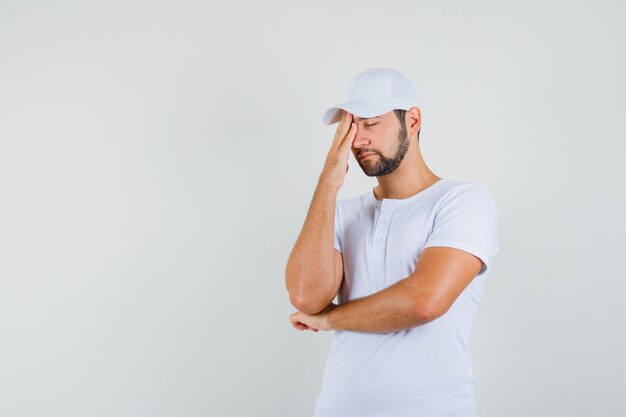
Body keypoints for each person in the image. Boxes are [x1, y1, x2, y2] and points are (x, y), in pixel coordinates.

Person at [285, 67, 500, 417]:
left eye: (371, 123)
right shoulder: (340, 214)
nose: (357, 140)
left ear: (412, 121)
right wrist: (328, 180)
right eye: (350, 126)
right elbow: (307, 297)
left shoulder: (463, 201)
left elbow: (423, 302)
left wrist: (330, 318)